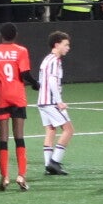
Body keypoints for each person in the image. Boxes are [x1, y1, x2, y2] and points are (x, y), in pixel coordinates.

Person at [0, 22, 34, 191]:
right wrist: (35, 83)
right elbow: (25, 73)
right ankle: (21, 175)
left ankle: (4, 176)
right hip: (17, 96)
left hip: (2, 97)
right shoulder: (21, 51)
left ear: (1, 35)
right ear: (15, 35)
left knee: (3, 138)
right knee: (19, 137)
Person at [37, 31, 73, 174]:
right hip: (51, 102)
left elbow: (41, 81)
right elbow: (52, 81)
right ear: (57, 45)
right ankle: (55, 161)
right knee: (69, 130)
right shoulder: (55, 61)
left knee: (50, 130)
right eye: (66, 45)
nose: (68, 48)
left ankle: (48, 165)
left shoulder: (46, 59)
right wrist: (59, 102)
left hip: (42, 101)